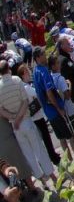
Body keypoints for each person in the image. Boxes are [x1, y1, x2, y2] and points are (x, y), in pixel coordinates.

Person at [0, 60, 57, 188]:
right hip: (25, 120)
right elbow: (25, 102)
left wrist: (13, 118)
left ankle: (42, 181)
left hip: (15, 126)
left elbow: (1, 110)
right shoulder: (16, 80)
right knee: (39, 149)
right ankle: (53, 177)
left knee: (28, 154)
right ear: (8, 68)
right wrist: (19, 117)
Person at [32, 47, 74, 159]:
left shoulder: (35, 71)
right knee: (71, 136)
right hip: (55, 110)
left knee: (62, 139)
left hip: (48, 112)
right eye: (43, 54)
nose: (45, 56)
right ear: (38, 57)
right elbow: (49, 92)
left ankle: (70, 163)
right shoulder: (44, 71)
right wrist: (59, 109)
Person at [49, 55, 74, 154]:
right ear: (53, 66)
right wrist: (70, 84)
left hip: (62, 110)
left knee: (69, 134)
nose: (59, 65)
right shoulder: (60, 79)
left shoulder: (51, 78)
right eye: (57, 63)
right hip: (69, 109)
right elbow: (68, 95)